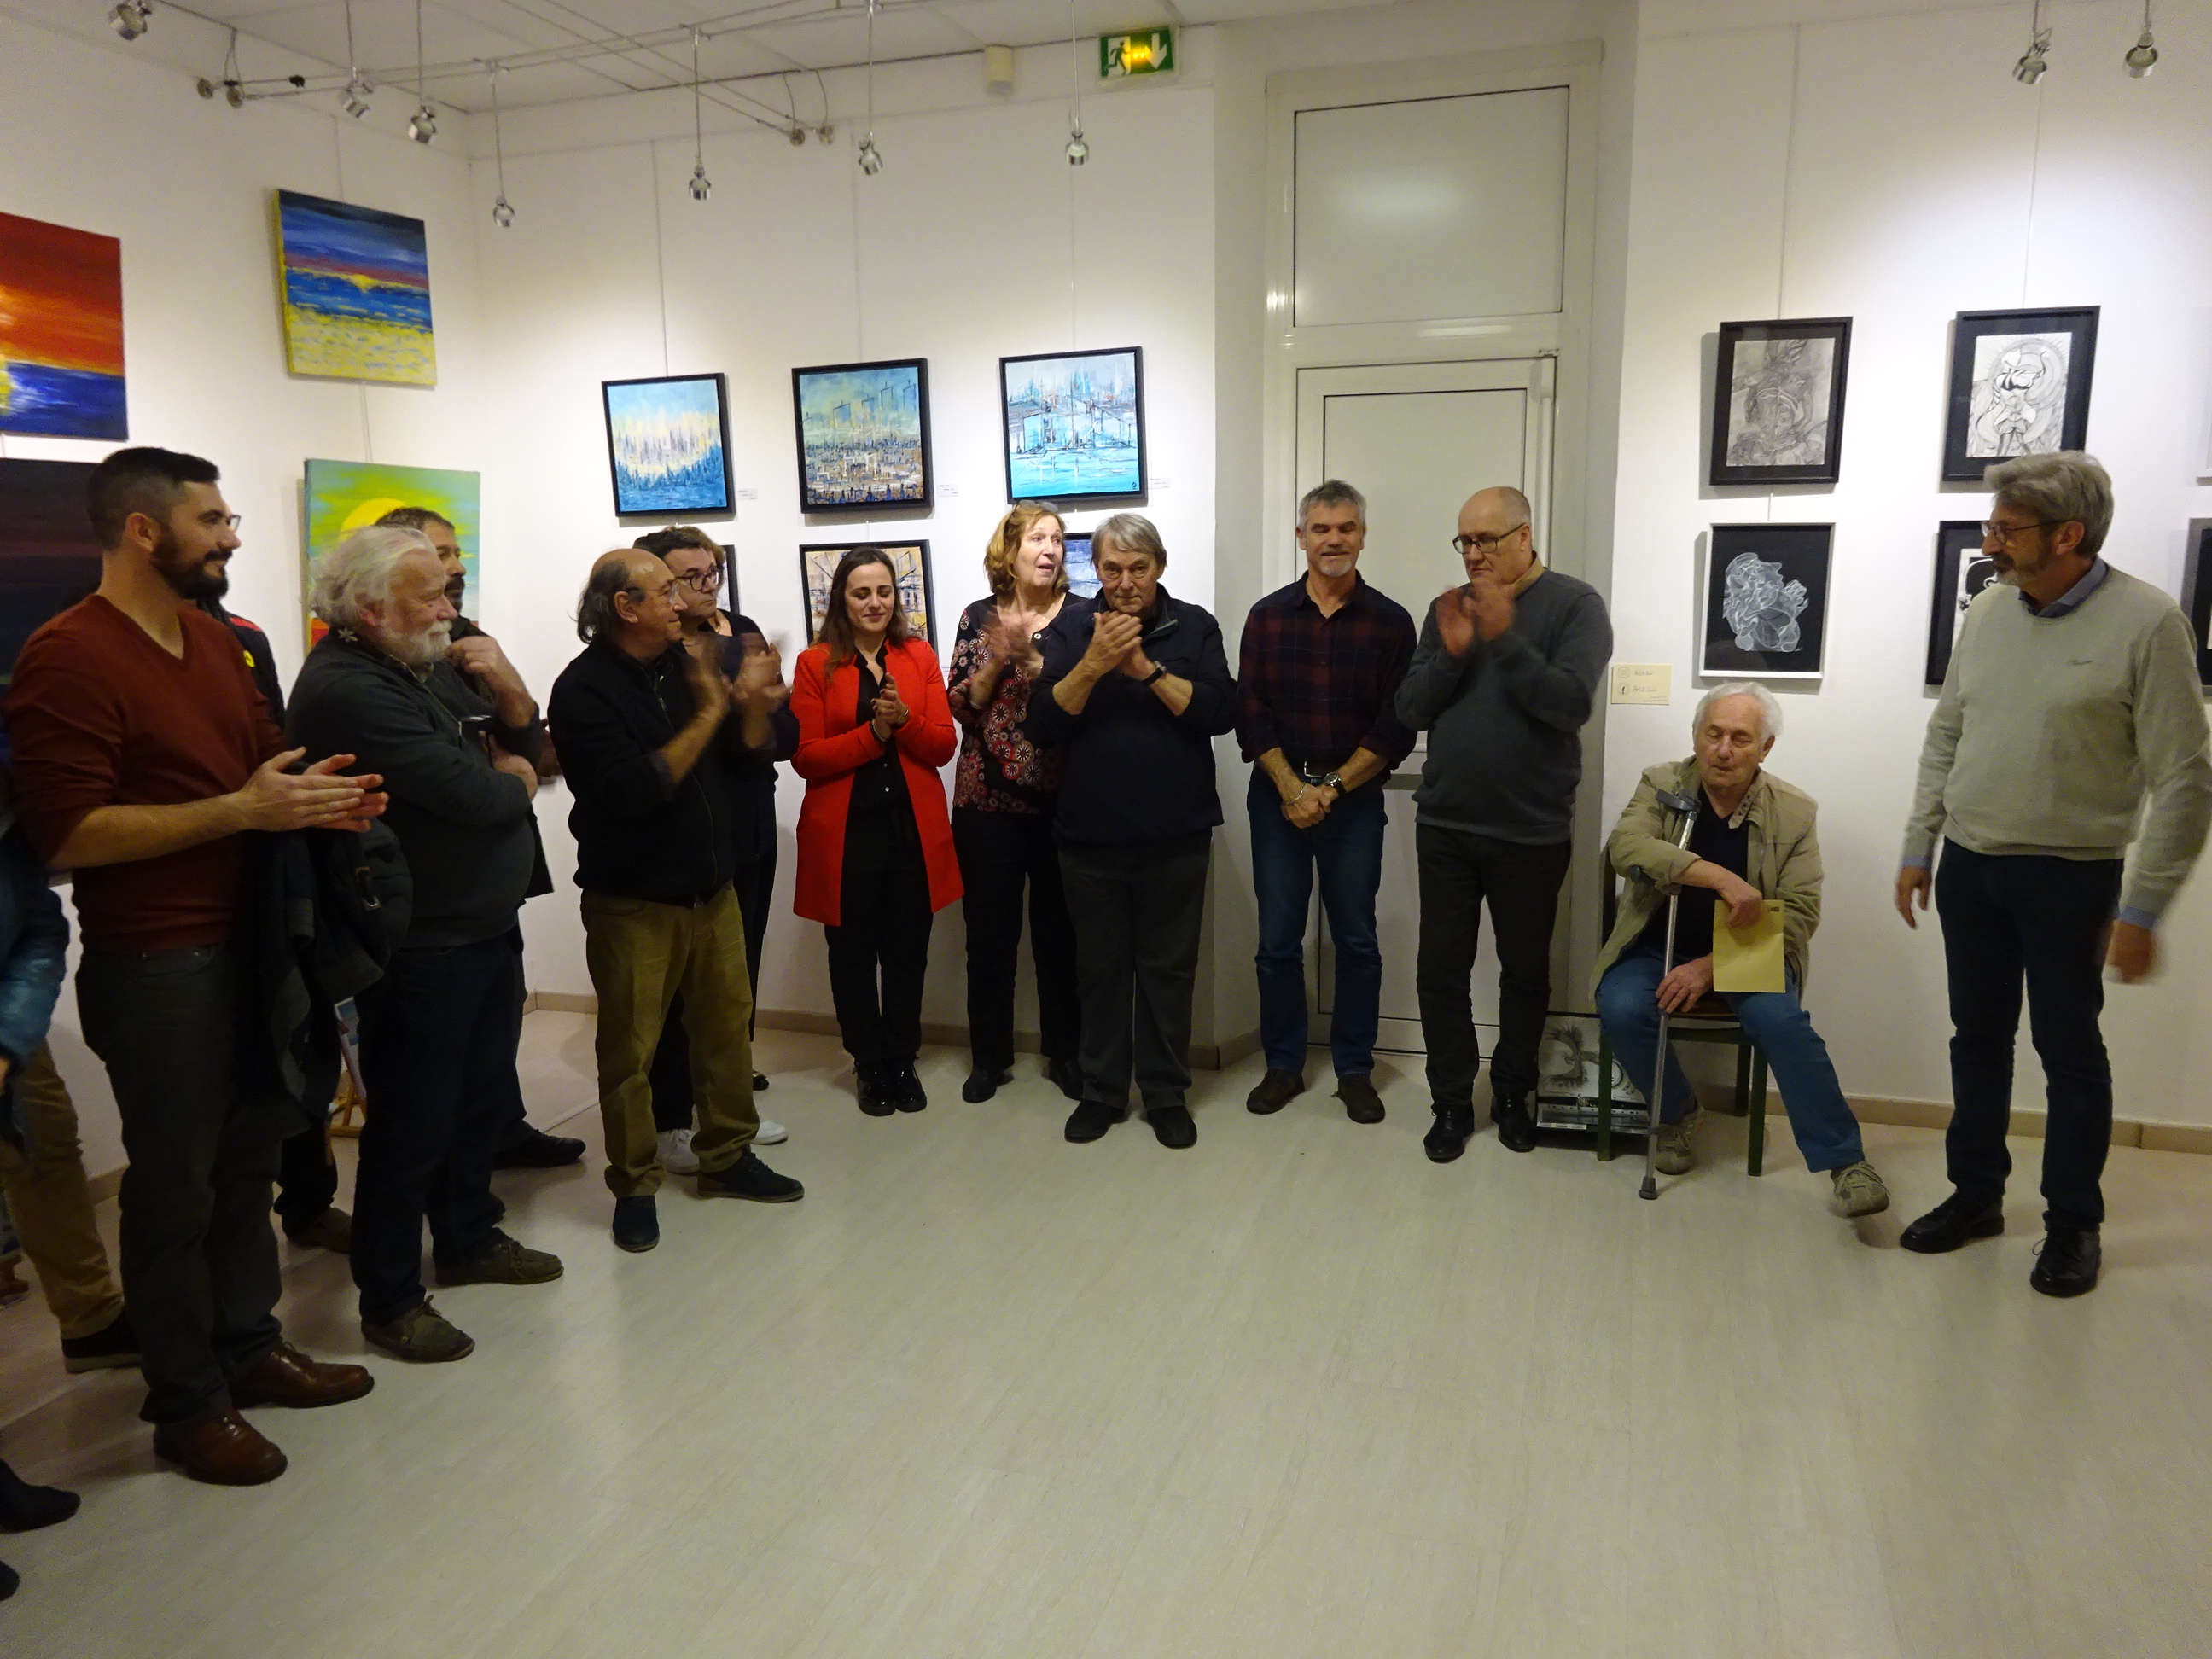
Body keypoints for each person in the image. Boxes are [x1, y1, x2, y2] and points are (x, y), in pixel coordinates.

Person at [3, 446, 380, 1485]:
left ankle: (248, 1347)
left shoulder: (215, 641)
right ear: (143, 530)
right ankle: (186, 1403)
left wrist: (326, 797)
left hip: (252, 945)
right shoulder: (67, 656)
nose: (231, 537)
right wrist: (243, 811)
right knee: (175, 1190)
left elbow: (263, 764)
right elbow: (69, 834)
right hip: (158, 964)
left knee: (249, 1163)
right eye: (212, 520)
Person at [1895, 452, 2212, 1296]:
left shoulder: (2149, 623)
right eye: (1991, 525)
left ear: (2068, 536)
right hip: (1972, 867)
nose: (1989, 542)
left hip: (2072, 879)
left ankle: (2073, 1223)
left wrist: (2143, 910)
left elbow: (2187, 780)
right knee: (1977, 1040)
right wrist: (1919, 846)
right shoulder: (1989, 609)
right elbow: (1947, 733)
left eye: (2007, 528)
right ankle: (1976, 1195)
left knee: (2068, 1053)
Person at [288, 526, 564, 1362]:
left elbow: (529, 748)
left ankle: (469, 1237)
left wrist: (510, 702)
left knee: (477, 1101)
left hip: (479, 925)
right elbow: (480, 794)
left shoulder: (422, 661)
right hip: (419, 945)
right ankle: (391, 1298)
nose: (451, 607)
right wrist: (512, 776)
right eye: (432, 596)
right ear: (373, 610)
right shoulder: (347, 688)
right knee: (410, 1125)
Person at [549, 550, 803, 1254]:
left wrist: (751, 709)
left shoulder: (684, 667)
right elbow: (637, 788)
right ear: (625, 607)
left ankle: (727, 1157)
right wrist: (714, 708)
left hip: (712, 889)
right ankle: (634, 1186)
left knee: (724, 1031)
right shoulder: (583, 691)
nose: (682, 601)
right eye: (665, 591)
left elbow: (747, 757)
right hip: (634, 900)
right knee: (630, 1053)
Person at [1594, 684, 1889, 1214]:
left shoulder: (1794, 811)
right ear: (1695, 735)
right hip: (1657, 944)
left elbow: (1801, 912)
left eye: (1741, 738)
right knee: (1619, 1005)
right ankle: (1677, 1113)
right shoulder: (1660, 783)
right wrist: (1717, 876)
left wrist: (1712, 968)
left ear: (1765, 747)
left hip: (1747, 951)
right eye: (1713, 734)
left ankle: (1847, 1162)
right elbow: (1626, 847)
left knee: (1783, 1024)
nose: (1724, 750)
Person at [1395, 486, 1610, 1164]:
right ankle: (1452, 1103)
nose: (1473, 554)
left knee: (1523, 973)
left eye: (1486, 539)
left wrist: (1502, 637)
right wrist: (1455, 652)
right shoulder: (1447, 610)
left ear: (1524, 536)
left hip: (1531, 833)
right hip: (1447, 826)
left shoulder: (1576, 605)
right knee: (1441, 972)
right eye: (1465, 541)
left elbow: (1569, 704)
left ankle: (1514, 1094)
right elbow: (1410, 708)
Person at [377, 503, 585, 1173]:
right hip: (435, 895)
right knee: (444, 1052)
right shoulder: (383, 666)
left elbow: (523, 735)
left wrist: (508, 686)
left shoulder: (464, 637)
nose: (457, 566)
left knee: (499, 1016)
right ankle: (459, 1179)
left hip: (491, 879)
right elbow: (481, 777)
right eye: (440, 554)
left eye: (456, 552)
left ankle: (501, 1128)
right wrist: (514, 775)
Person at [1027, 514, 1236, 1150]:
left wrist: (1145, 669)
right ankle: (1103, 1092)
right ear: (1096, 569)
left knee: (1169, 972)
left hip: (1176, 834)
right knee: (1100, 972)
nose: (1124, 582)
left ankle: (1166, 1094)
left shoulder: (1194, 626)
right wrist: (1093, 664)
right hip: (1088, 837)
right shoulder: (1070, 628)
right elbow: (1041, 724)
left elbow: (1219, 712)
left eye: (1138, 568)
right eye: (1111, 568)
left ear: (1159, 567)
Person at [1234, 480, 1417, 1124]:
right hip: (1276, 801)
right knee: (1277, 943)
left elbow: (1397, 726)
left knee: (1357, 940)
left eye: (1345, 528)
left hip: (1355, 804)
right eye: (1321, 528)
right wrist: (1291, 788)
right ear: (1301, 536)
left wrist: (1331, 788)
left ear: (1362, 535)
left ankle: (1354, 1070)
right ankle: (1284, 1065)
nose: (1333, 539)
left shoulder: (1392, 623)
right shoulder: (1267, 617)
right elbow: (1250, 712)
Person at [195, 592, 355, 1251]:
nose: (230, 543)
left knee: (301, 1039)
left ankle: (309, 1200)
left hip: (273, 868)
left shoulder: (243, 635)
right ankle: (223, 1243)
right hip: (194, 883)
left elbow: (277, 743)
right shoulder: (101, 643)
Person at [633, 527, 795, 1160]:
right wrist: (740, 709)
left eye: (713, 573)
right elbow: (681, 752)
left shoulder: (740, 631)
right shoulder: (659, 655)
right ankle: (672, 1114)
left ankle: (728, 1098)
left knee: (737, 968)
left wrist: (759, 705)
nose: (707, 587)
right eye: (691, 577)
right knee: (681, 984)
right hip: (691, 829)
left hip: (749, 818)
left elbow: (784, 737)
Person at [790, 549, 962, 1115]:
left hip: (911, 832)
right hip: (846, 837)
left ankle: (902, 1059)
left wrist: (905, 721)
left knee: (908, 955)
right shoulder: (815, 663)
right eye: (861, 593)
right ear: (841, 598)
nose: (875, 603)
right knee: (853, 957)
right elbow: (806, 757)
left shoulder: (918, 655)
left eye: (884, 591)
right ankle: (868, 1063)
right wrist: (875, 734)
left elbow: (943, 746)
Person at [946, 504, 1084, 1104]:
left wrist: (1039, 662)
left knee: (1062, 937)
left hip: (1064, 801)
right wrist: (1001, 658)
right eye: (1038, 538)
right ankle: (989, 1059)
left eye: (1057, 539)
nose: (1050, 549)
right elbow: (961, 705)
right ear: (1011, 550)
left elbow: (1092, 697)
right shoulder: (978, 617)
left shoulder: (1082, 616)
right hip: (986, 804)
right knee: (989, 938)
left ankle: (1066, 1054)